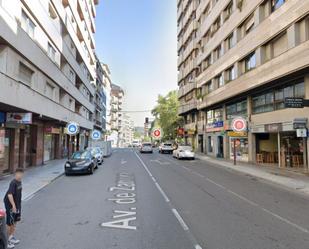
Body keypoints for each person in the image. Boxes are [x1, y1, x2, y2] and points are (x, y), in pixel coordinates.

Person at [3, 168, 24, 249]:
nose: (20, 175)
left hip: (17, 205)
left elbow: (19, 193)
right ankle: (6, 242)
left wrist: (18, 205)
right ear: (16, 174)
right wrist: (13, 206)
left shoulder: (20, 182)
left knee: (15, 221)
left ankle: (11, 237)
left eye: (21, 173)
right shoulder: (13, 183)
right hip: (10, 205)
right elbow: (9, 195)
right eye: (19, 173)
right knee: (10, 223)